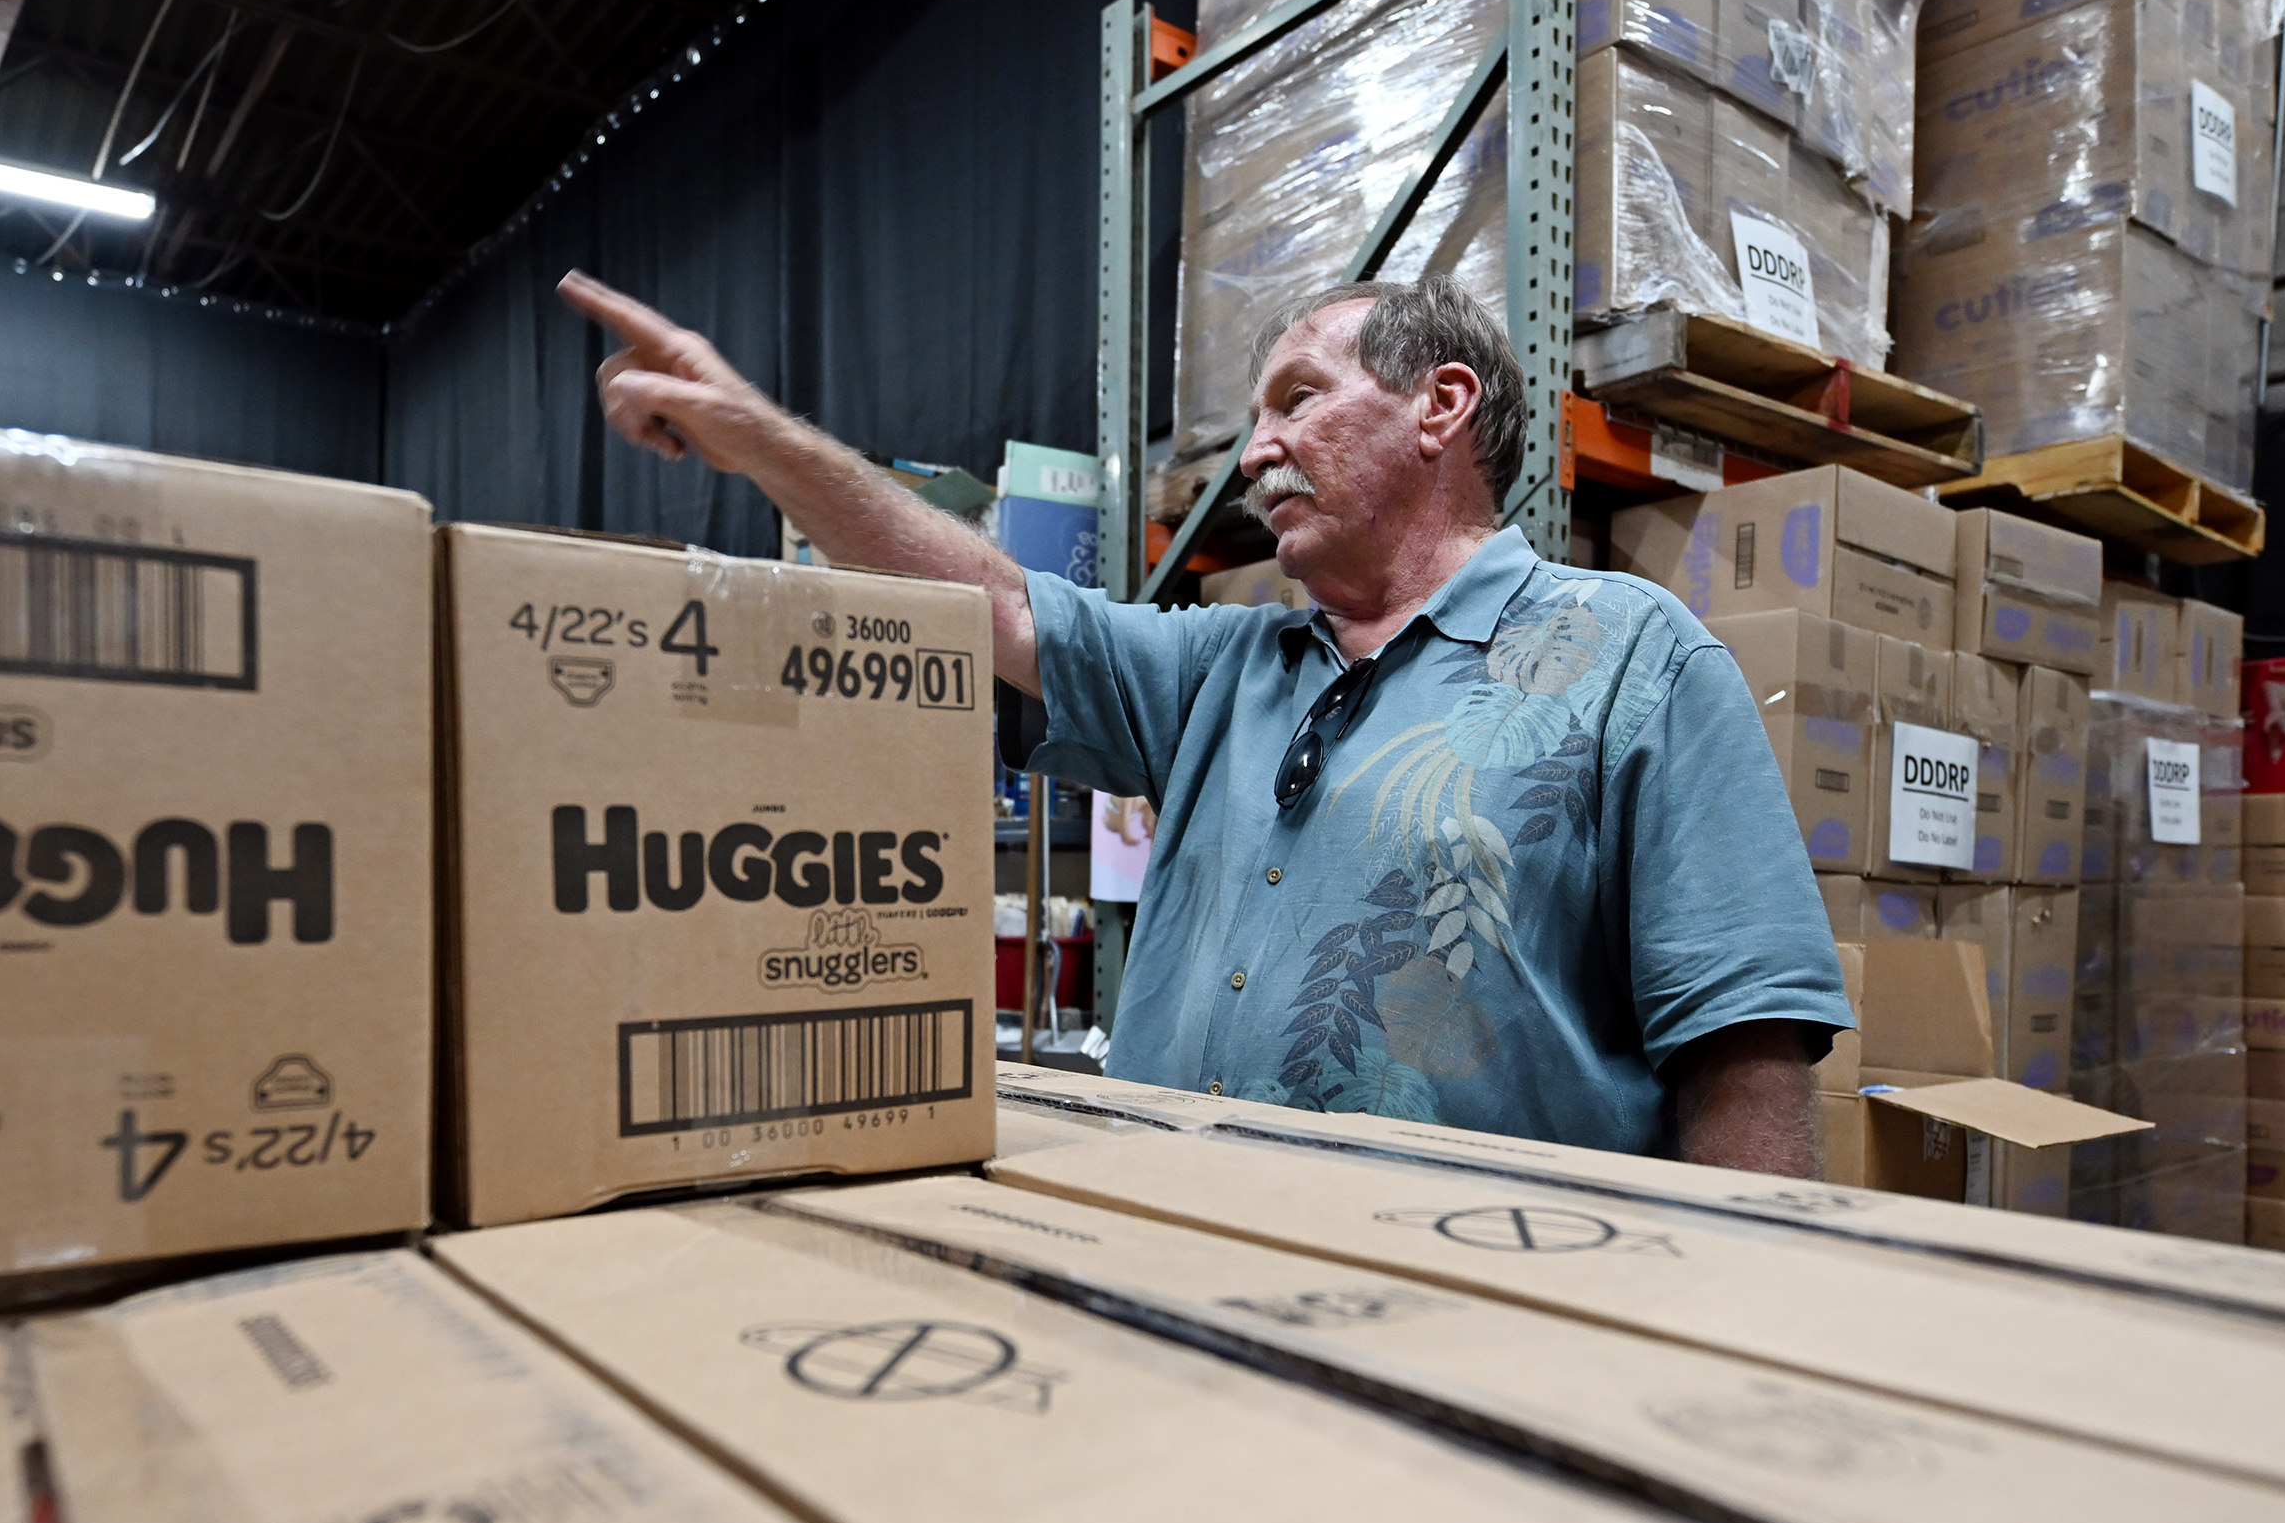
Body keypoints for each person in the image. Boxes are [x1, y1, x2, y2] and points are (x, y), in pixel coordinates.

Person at [557, 268, 1852, 1175]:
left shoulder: (1633, 658)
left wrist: (1731, 1345)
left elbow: (1744, 1053)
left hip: (1477, 1347)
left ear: (1440, 407)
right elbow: (995, 606)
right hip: (1175, 1292)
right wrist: (766, 441)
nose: (1255, 450)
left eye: (1296, 397)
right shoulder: (1222, 670)